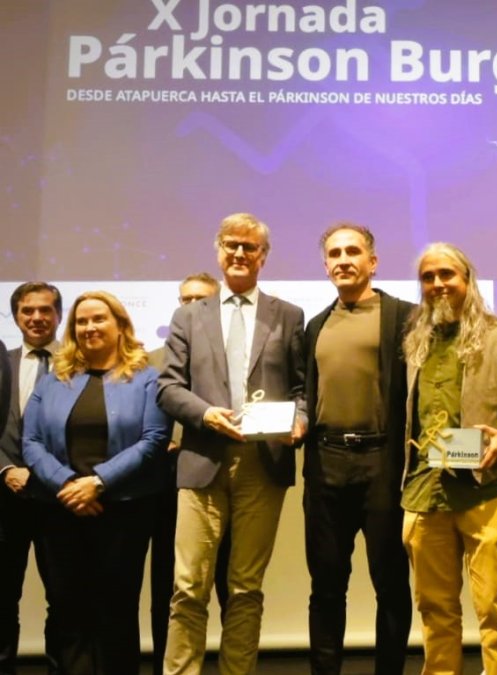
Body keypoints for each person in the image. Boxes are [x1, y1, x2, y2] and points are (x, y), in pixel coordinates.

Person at [158, 212, 307, 675]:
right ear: (218, 251)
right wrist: (205, 413)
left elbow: (302, 389)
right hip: (203, 458)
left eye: (250, 247)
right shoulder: (188, 316)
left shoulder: (289, 315)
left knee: (245, 588)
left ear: (263, 256)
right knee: (188, 586)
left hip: (262, 464)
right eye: (231, 245)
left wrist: (300, 420)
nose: (240, 254)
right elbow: (168, 387)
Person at [401, 242, 497, 674]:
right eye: (429, 277)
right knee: (435, 615)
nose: (438, 284)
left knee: (496, 612)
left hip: (487, 489)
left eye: (447, 275)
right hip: (425, 494)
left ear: (467, 281)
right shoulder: (412, 345)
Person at [22, 291, 169, 674]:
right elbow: (31, 442)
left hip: (124, 510)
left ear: (121, 326)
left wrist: (98, 483)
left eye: (99, 319)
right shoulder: (54, 380)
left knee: (116, 606)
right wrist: (69, 484)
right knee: (67, 605)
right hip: (60, 509)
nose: (89, 327)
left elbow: (153, 439)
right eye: (81, 322)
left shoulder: (148, 379)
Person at [303, 224, 413, 674]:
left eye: (353, 251)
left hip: (381, 463)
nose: (343, 259)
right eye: (334, 253)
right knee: (326, 586)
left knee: (390, 584)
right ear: (326, 264)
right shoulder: (315, 325)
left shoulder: (404, 316)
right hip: (326, 464)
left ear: (373, 261)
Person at [145, 273, 224, 675]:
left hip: (226, 477)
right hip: (166, 486)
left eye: (201, 299)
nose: (191, 306)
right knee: (174, 585)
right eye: (185, 299)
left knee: (231, 585)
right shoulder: (153, 359)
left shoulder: (235, 357)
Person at [0, 282, 63, 674]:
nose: (36, 317)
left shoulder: (78, 363)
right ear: (16, 316)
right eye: (27, 311)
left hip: (61, 498)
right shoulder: (2, 361)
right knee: (3, 594)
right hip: (5, 497)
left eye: (45, 310)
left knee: (64, 596)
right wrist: (5, 468)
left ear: (59, 315)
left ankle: (62, 667)